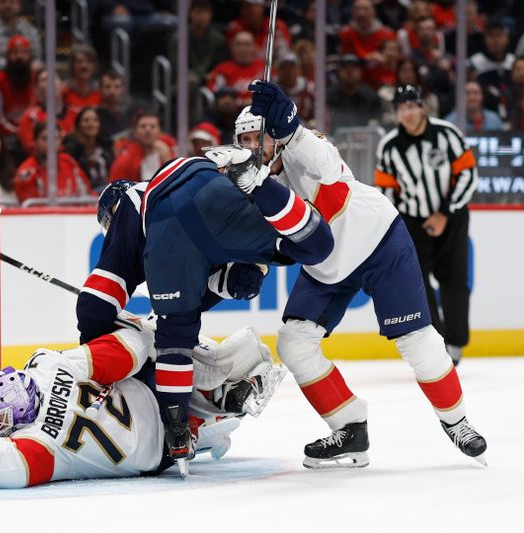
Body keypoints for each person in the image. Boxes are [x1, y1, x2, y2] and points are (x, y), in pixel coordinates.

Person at [233, 80, 485, 469]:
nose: (251, 149)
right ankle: (349, 429)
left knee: (417, 340)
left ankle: (458, 422)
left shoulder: (302, 145)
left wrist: (292, 129)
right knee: (294, 343)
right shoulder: (251, 185)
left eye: (257, 139)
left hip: (378, 240)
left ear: (274, 138)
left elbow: (330, 167)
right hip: (327, 266)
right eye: (244, 141)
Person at [78, 139, 334, 466]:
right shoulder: (167, 200)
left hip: (168, 216)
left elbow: (94, 303)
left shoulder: (127, 205)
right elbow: (233, 282)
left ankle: (179, 430)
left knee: (175, 340)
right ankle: (261, 184)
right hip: (209, 179)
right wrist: (236, 276)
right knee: (314, 244)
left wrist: (94, 352)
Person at [0, 324, 282, 488]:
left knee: (199, 432)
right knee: (165, 342)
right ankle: (221, 392)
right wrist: (135, 325)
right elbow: (133, 346)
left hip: (159, 454)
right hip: (152, 395)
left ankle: (216, 413)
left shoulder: (37, 445)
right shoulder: (49, 365)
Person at [377, 84, 479, 367]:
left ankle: (455, 342)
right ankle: (436, 342)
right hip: (411, 222)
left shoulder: (447, 134)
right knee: (417, 283)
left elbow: (468, 175)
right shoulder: (389, 146)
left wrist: (444, 213)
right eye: (401, 108)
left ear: (422, 107)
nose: (407, 113)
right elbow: (387, 191)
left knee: (454, 281)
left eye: (411, 106)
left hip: (452, 217)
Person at [13, 121, 94, 205]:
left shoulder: (68, 161)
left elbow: (87, 194)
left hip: (74, 216)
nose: (50, 143)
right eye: (45, 138)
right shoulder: (27, 172)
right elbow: (29, 210)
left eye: (55, 138)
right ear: (35, 141)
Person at [0, 34, 35, 140]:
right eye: (15, 52)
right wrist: (21, 133)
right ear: (7, 56)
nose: (19, 57)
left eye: (24, 52)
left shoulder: (35, 79)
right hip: (4, 138)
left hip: (32, 134)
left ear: (30, 55)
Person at [108, 110, 177, 182]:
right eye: (143, 126)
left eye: (152, 126)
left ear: (160, 131)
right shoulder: (126, 155)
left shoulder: (169, 147)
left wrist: (167, 159)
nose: (148, 130)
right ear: (135, 132)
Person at [0, 0, 42, 74]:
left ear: (20, 5)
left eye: (12, 2)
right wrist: (20, 66)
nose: (7, 5)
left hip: (26, 77)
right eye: (3, 1)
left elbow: (37, 59)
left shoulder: (30, 29)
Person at [62, 106, 114, 191]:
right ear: (78, 125)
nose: (91, 124)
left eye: (95, 120)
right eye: (86, 120)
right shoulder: (71, 151)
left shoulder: (106, 147)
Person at [207, 31, 264, 106]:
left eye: (247, 45)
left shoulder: (264, 67)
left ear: (254, 47)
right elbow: (216, 94)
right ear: (232, 48)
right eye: (239, 45)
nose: (243, 49)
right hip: (232, 113)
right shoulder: (222, 69)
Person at [62, 43, 101, 116]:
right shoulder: (62, 91)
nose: (84, 66)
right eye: (79, 61)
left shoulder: (101, 92)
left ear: (95, 66)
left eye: (89, 61)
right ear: (72, 65)